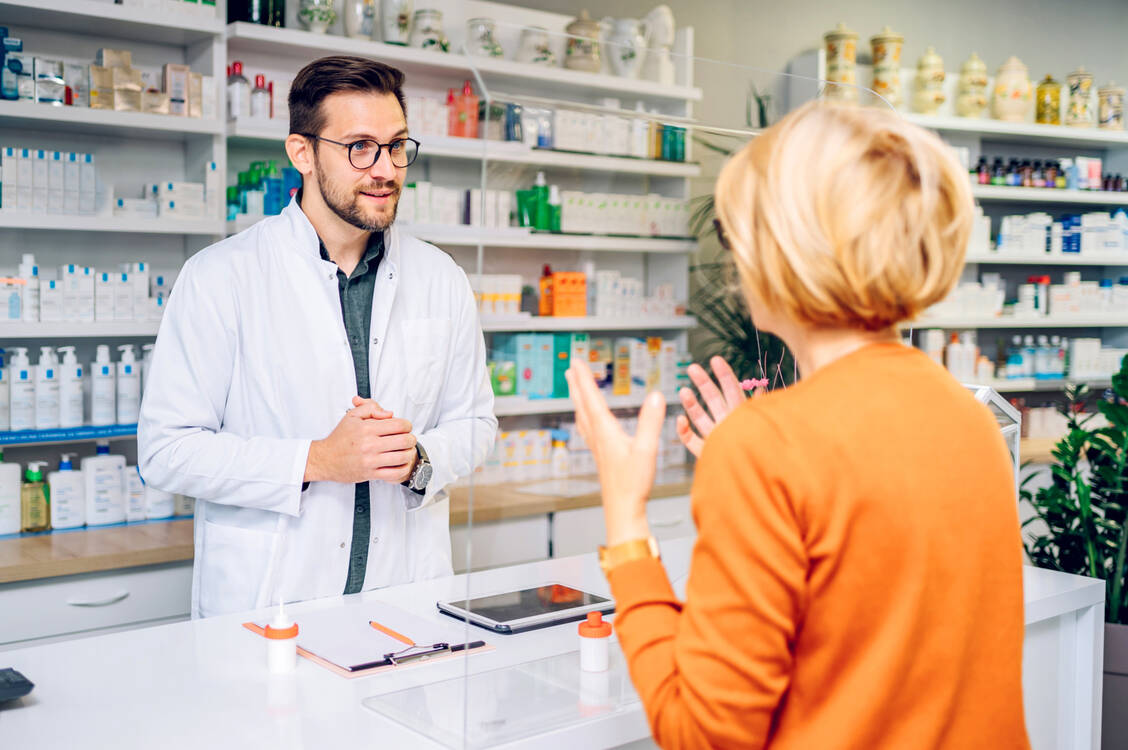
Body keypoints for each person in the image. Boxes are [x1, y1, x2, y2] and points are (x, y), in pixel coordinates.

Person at [567, 100, 1031, 748]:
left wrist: (624, 517)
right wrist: (756, 450)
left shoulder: (769, 449)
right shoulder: (968, 418)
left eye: (741, 236)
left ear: (783, 252)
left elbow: (702, 733)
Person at [139, 56, 496, 619]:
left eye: (397, 146)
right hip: (271, 603)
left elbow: (476, 423)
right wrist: (316, 460)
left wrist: (418, 458)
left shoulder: (441, 278)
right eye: (360, 147)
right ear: (302, 153)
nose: (386, 170)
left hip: (405, 597)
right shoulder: (220, 277)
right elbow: (166, 452)